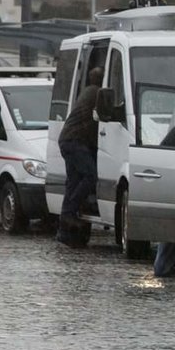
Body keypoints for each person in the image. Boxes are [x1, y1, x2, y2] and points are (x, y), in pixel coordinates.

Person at [57, 66, 104, 247]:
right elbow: (93, 122)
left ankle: (64, 231)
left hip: (67, 140)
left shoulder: (88, 91)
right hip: (75, 141)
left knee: (74, 181)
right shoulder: (96, 94)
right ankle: (68, 213)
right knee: (90, 176)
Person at [154, 117, 175, 277]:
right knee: (171, 235)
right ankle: (164, 267)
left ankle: (167, 266)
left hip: (173, 191)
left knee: (171, 235)